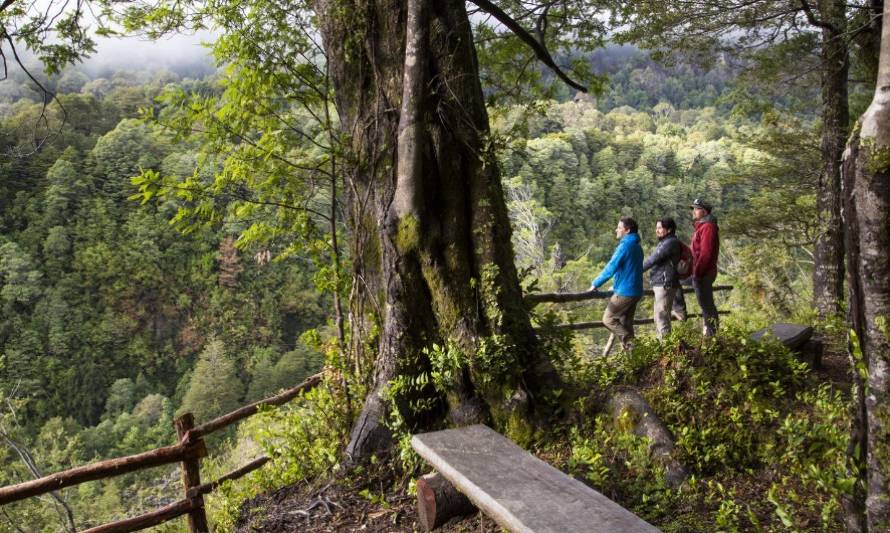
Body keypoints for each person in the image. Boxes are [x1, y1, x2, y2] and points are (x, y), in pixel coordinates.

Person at [590, 217, 644, 351]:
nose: (616, 230)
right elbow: (628, 270)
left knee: (608, 319)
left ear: (627, 230)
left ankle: (633, 345)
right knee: (626, 323)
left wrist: (595, 283)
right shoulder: (637, 247)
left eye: (619, 228)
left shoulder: (625, 246)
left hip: (626, 292)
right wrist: (615, 285)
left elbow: (611, 267)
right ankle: (635, 360)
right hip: (635, 291)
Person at [642, 217, 682, 339]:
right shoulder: (667, 242)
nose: (657, 230)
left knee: (662, 319)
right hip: (663, 283)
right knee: (660, 318)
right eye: (656, 228)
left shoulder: (670, 243)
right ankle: (664, 350)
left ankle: (667, 352)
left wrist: (634, 271)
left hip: (665, 284)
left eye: (660, 228)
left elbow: (652, 259)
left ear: (669, 229)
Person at [690, 198, 720, 336]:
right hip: (703, 271)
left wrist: (697, 273)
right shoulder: (703, 225)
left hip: (704, 272)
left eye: (696, 208)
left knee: (707, 305)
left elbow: (706, 253)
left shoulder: (708, 226)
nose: (694, 211)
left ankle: (711, 335)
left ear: (704, 211)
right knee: (706, 305)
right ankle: (711, 334)